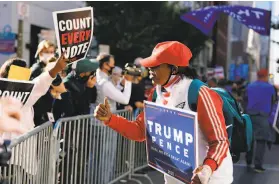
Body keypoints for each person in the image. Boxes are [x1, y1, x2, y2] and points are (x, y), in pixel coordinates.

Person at [94, 41, 233, 184]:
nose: (149, 69)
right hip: (176, 178)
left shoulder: (199, 93)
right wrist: (110, 119)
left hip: (210, 179)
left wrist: (207, 169)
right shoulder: (155, 94)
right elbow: (140, 131)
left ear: (174, 69)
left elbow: (220, 141)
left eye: (155, 66)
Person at [245, 69, 277, 172]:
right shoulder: (270, 88)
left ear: (258, 76)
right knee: (261, 141)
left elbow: (245, 99)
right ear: (266, 76)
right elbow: (274, 101)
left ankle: (248, 160)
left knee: (250, 138)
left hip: (250, 115)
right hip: (264, 116)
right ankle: (258, 165)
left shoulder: (249, 86)